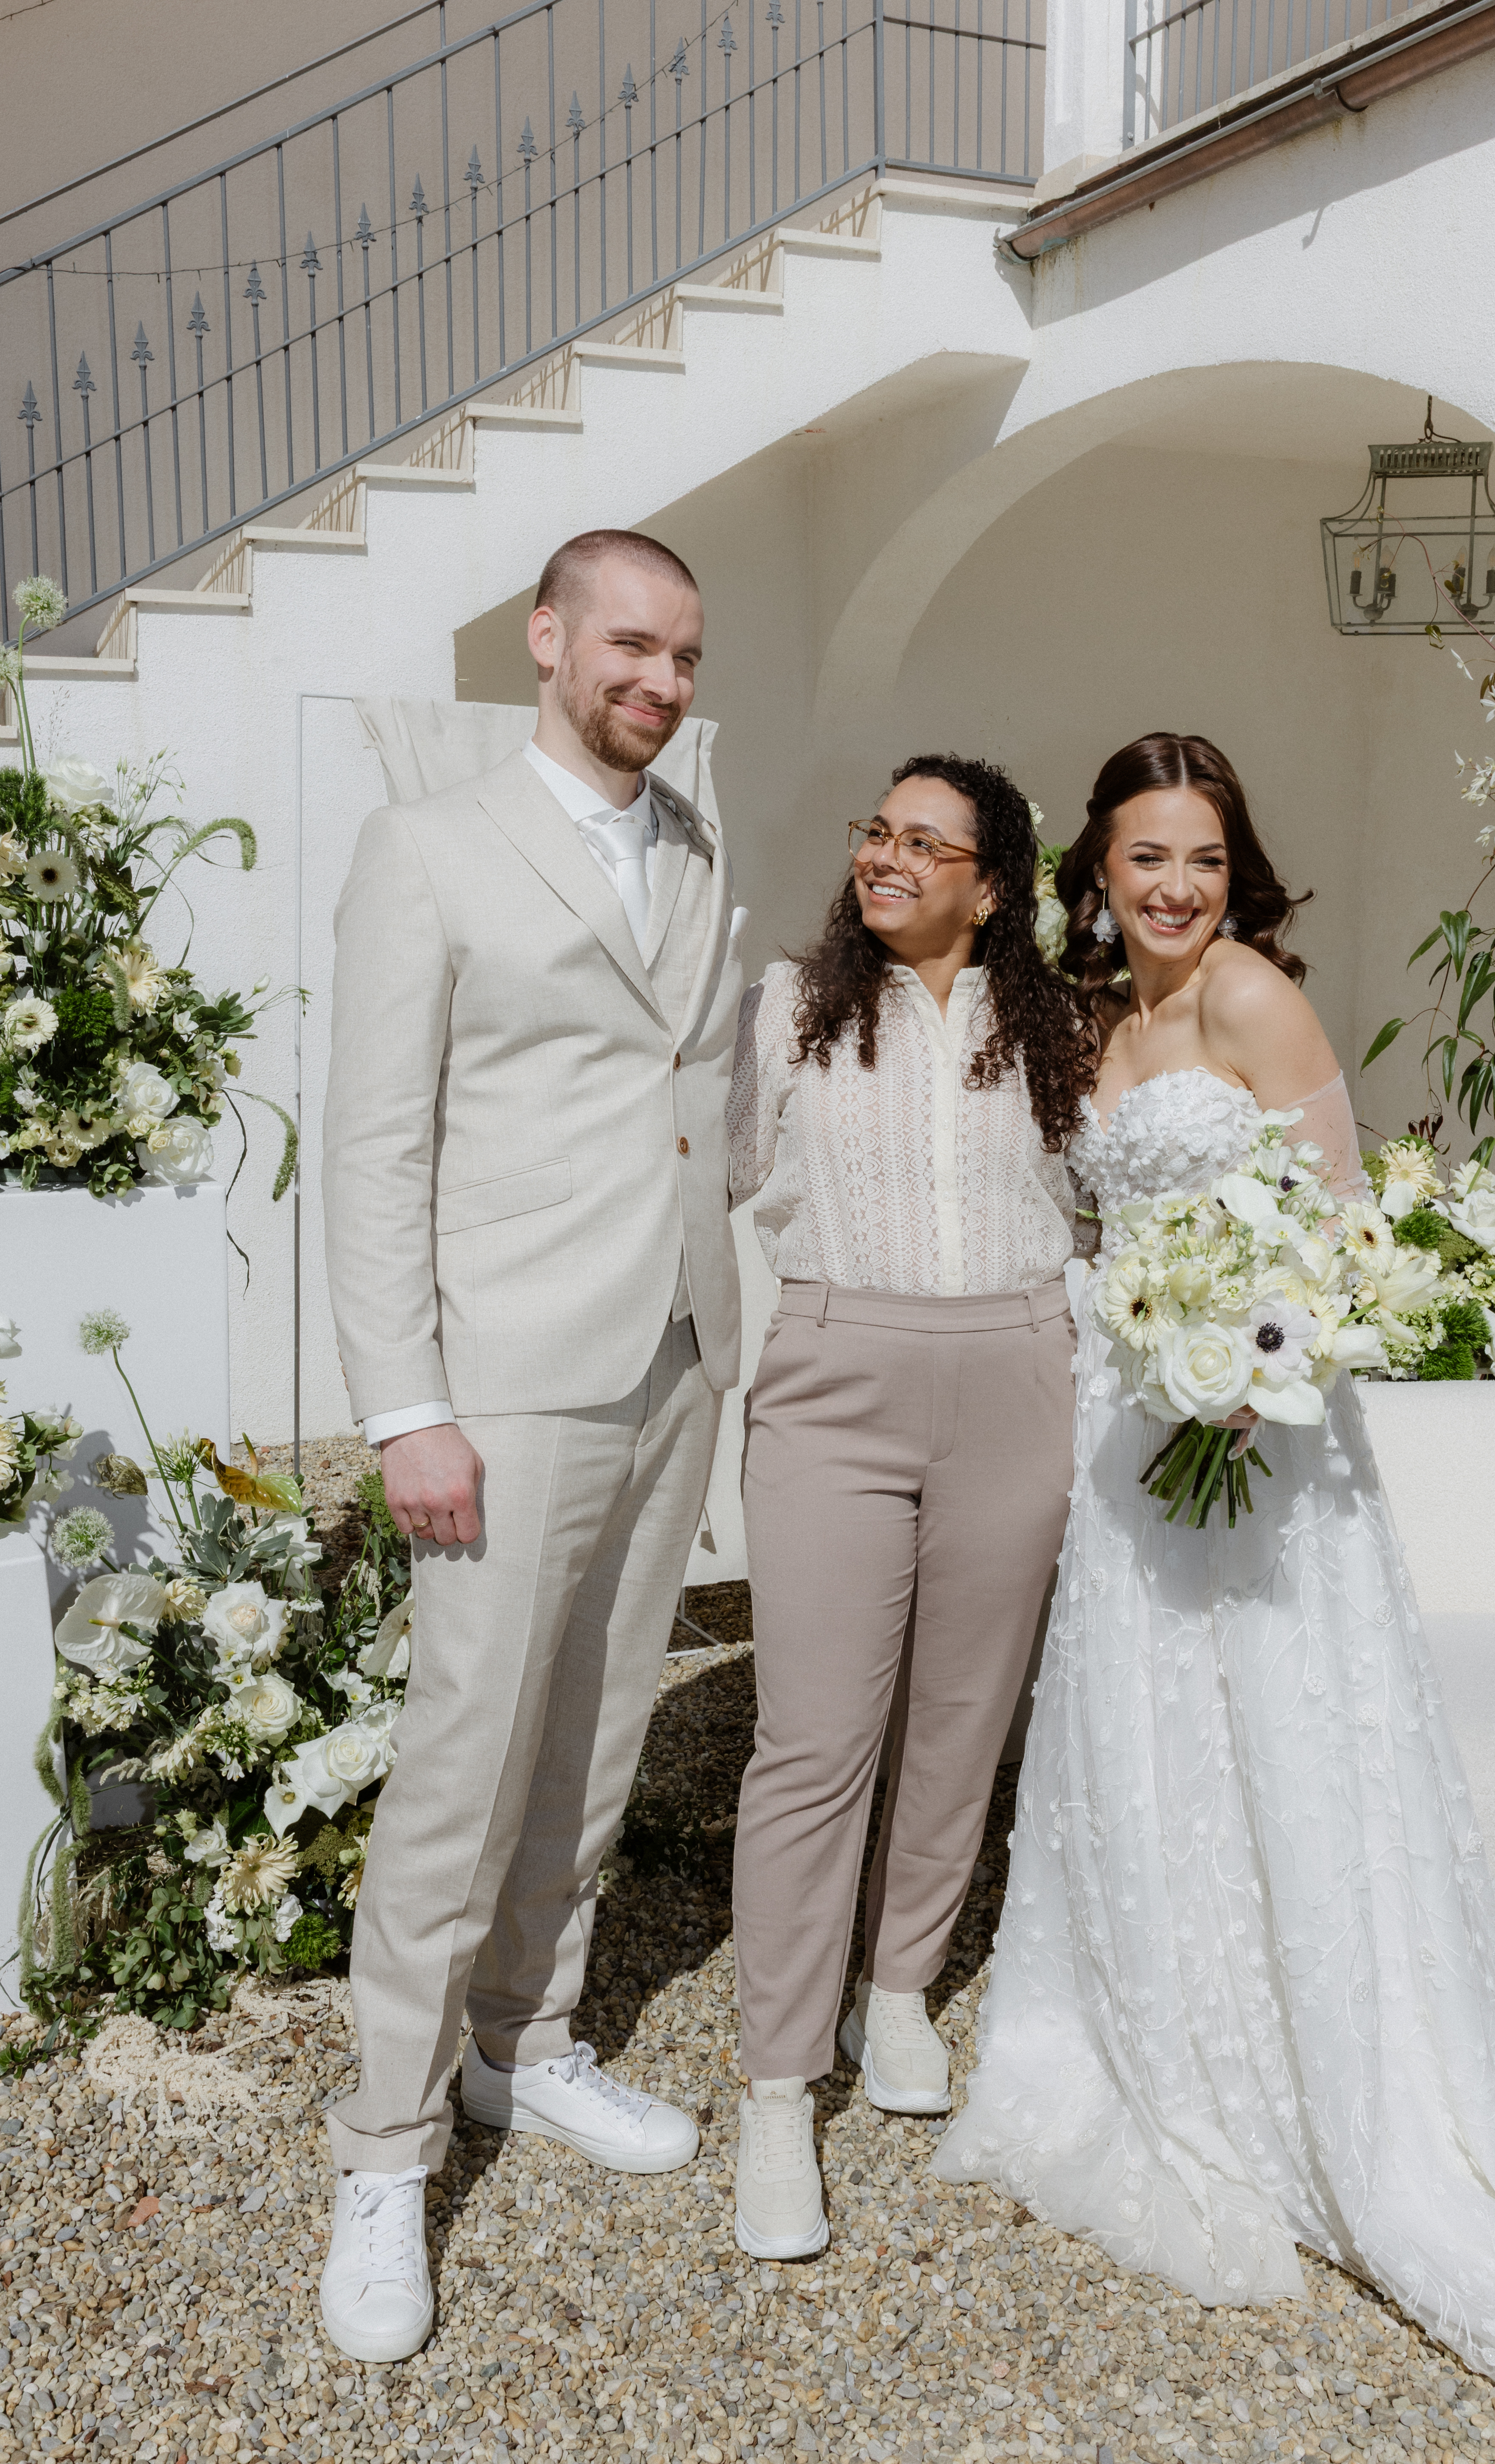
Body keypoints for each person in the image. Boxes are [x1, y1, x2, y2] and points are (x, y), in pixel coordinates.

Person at [937, 731, 1495, 2382]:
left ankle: (1328, 2070)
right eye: (1141, 858)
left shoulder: (1252, 998)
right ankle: (1164, 2041)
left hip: (1259, 1432)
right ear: (1093, 875)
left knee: (1275, 1722)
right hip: (1129, 1429)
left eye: (1197, 857)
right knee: (1142, 1735)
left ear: (1229, 866)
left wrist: (1253, 1371)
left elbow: (1336, 1224)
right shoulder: (1094, 1020)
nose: (1172, 887)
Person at [317, 529, 744, 2363]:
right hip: (503, 1382)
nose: (661, 681)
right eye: (631, 646)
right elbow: (373, 1148)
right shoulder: (425, 849)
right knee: (458, 1770)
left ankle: (526, 2042)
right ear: (547, 640)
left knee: (598, 1733)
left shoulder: (700, 847)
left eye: (685, 656)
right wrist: (409, 1406)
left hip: (670, 1357)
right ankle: (379, 2156)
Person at [727, 754, 1090, 2260]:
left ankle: (896, 1997)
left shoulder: (1062, 1026)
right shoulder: (787, 1001)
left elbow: (1110, 1203)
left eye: (923, 842)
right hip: (835, 1377)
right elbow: (726, 1173)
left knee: (960, 1718)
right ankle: (771, 2096)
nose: (885, 855)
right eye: (873, 828)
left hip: (1016, 1376)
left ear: (992, 884)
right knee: (813, 1739)